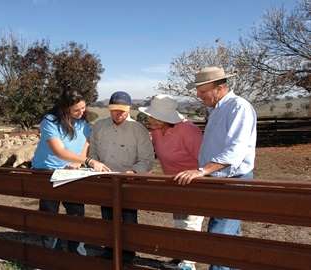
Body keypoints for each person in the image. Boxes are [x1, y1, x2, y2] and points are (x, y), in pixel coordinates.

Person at [174, 66, 257, 270]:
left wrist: (202, 171)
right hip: (219, 178)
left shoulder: (239, 107)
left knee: (218, 237)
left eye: (203, 91)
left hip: (233, 180)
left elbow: (235, 151)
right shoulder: (217, 109)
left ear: (220, 88)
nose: (198, 96)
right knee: (230, 237)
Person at [32, 90, 110, 255]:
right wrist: (89, 161)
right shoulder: (50, 121)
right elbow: (59, 151)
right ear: (64, 109)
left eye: (83, 108)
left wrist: (78, 162)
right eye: (76, 110)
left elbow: (86, 143)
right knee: (49, 213)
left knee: (76, 211)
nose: (81, 112)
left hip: (73, 172)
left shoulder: (83, 123)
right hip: (48, 171)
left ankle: (76, 250)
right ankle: (51, 254)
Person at [138, 94, 204, 270]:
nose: (148, 118)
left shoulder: (189, 131)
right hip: (174, 183)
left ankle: (189, 264)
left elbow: (204, 159)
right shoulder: (156, 131)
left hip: (194, 184)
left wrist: (198, 174)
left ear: (163, 118)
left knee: (190, 223)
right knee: (179, 222)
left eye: (152, 116)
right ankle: (180, 258)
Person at [89, 90, 154, 263]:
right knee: (107, 215)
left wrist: (133, 172)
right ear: (110, 109)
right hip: (106, 180)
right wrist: (95, 164)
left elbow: (147, 159)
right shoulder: (99, 127)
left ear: (129, 109)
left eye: (122, 110)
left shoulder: (138, 130)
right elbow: (93, 152)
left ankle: (129, 253)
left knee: (129, 217)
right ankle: (109, 250)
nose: (118, 113)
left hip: (129, 181)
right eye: (115, 109)